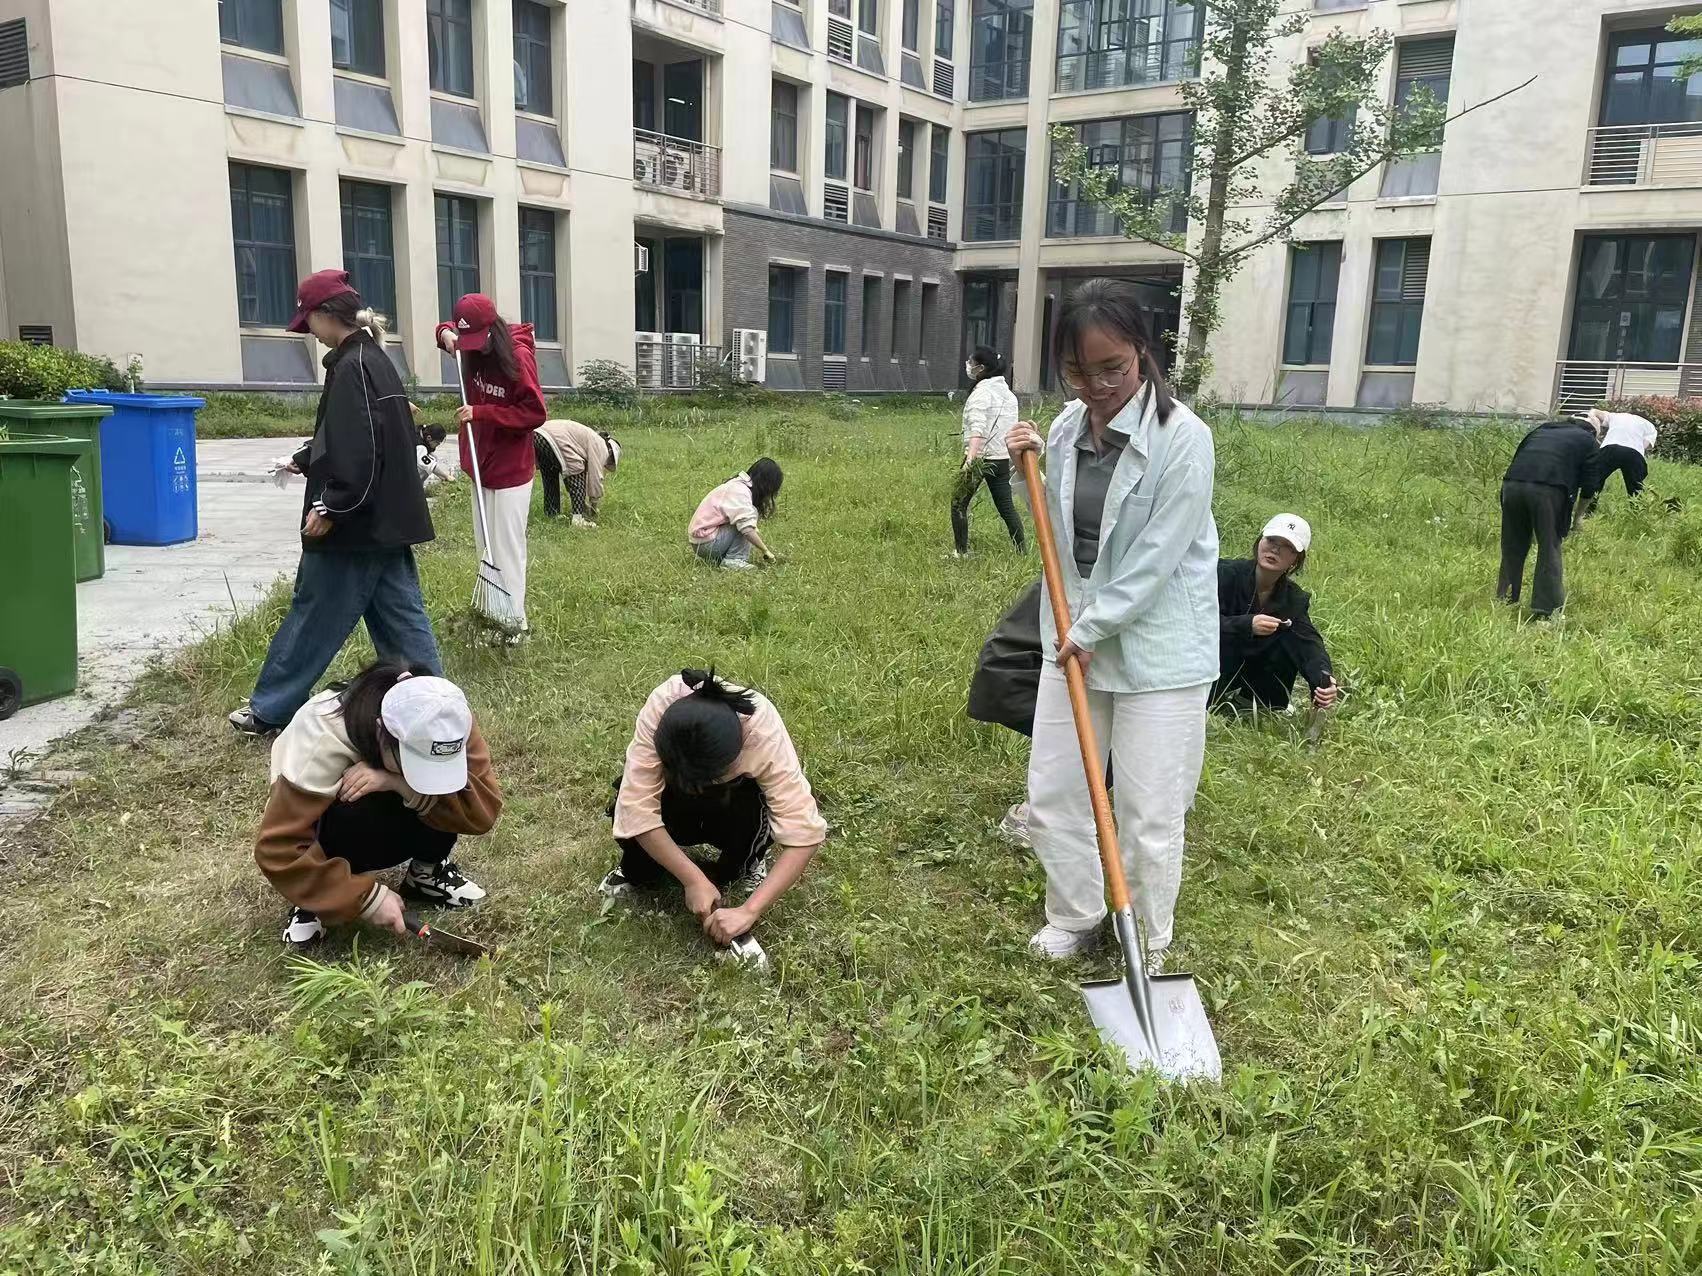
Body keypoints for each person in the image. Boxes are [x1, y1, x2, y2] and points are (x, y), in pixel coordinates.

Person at [1005, 278, 1218, 967]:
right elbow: (1060, 536)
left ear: (1143, 352)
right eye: (1077, 371)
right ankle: (1076, 912)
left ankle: (1147, 940)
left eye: (1112, 369)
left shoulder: (1184, 439)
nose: (1096, 386)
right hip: (1074, 639)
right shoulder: (1066, 429)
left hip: (1157, 647)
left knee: (1151, 812)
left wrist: (1092, 630)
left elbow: (1157, 557)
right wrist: (1021, 468)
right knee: (1056, 791)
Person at [229, 270, 440, 737]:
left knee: (314, 616)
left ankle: (270, 709)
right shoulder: (374, 359)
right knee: (402, 620)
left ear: (326, 316)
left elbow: (362, 449)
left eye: (310, 323)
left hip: (355, 527)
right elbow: (365, 436)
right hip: (383, 522)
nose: (310, 334)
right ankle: (435, 701)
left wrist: (332, 507)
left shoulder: (351, 367)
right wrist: (305, 458)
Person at [253, 661, 503, 949]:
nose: (422, 778)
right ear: (381, 732)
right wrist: (365, 898)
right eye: (412, 764)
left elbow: (481, 812)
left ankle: (426, 873)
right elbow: (279, 848)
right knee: (355, 794)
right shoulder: (320, 735)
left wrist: (396, 782)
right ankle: (317, 897)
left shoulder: (447, 717)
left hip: (389, 782)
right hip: (327, 819)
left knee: (440, 791)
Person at [601, 669, 827, 965]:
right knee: (627, 806)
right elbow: (637, 808)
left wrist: (749, 911)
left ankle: (744, 867)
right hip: (674, 793)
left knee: (747, 830)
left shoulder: (763, 733)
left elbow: (804, 836)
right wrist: (692, 879)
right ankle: (636, 870)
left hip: (735, 799)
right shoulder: (661, 707)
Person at [435, 294, 547, 632]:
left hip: (511, 469)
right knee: (486, 546)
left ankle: (515, 624)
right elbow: (444, 331)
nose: (470, 348)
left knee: (507, 548)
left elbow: (535, 412)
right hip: (480, 465)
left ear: (492, 330)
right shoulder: (470, 345)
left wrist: (482, 412)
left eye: (475, 339)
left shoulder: (517, 357)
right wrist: (444, 333)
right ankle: (493, 612)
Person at [1214, 514, 1339, 714]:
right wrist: (1246, 625)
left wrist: (1322, 675)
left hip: (1253, 678)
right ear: (1259, 542)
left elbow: (1308, 641)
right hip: (1211, 664)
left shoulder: (1293, 598)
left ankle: (1260, 704)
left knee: (1290, 633)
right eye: (1271, 540)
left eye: (1287, 546)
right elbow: (1194, 623)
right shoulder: (1223, 574)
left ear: (1296, 559)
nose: (1275, 549)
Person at [1497, 418, 1599, 618]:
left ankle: (1505, 598)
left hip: (1512, 484)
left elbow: (1518, 456)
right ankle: (1546, 609)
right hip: (1548, 489)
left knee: (1512, 545)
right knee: (1549, 546)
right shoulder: (1588, 441)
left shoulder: (1541, 429)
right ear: (1592, 432)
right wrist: (1578, 517)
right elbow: (1590, 484)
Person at [951, 346, 1026, 557]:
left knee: (958, 503)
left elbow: (978, 429)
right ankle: (1022, 552)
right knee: (1006, 507)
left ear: (981, 368)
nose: (968, 365)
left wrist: (970, 460)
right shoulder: (1009, 395)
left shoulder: (982, 393)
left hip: (980, 458)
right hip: (1002, 459)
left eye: (970, 362)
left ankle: (961, 553)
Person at [689, 458, 783, 570]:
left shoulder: (736, 485)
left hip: (700, 542)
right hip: (706, 544)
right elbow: (747, 530)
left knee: (745, 520)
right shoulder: (741, 492)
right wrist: (766, 551)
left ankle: (725, 557)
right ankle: (734, 559)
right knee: (744, 524)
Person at [533, 418, 621, 526]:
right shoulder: (602, 447)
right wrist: (594, 504)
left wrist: (582, 502)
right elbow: (595, 477)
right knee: (578, 470)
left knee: (550, 474)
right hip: (556, 437)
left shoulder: (591, 438)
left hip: (538, 434)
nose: (607, 463)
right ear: (611, 451)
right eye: (610, 460)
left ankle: (552, 514)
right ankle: (578, 520)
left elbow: (569, 479)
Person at [1578, 407, 1657, 518]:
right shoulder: (1650, 426)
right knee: (1636, 485)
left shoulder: (1617, 416)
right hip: (1634, 452)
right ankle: (1637, 514)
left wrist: (1593, 421)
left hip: (1610, 447)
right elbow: (1645, 445)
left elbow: (1595, 412)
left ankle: (1586, 512)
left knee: (1595, 479)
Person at [417, 423, 455, 489]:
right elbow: (430, 465)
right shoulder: (419, 446)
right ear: (429, 438)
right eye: (437, 443)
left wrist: (441, 476)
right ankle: (416, 488)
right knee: (426, 464)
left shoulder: (421, 430)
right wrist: (446, 476)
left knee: (433, 457)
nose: (437, 446)